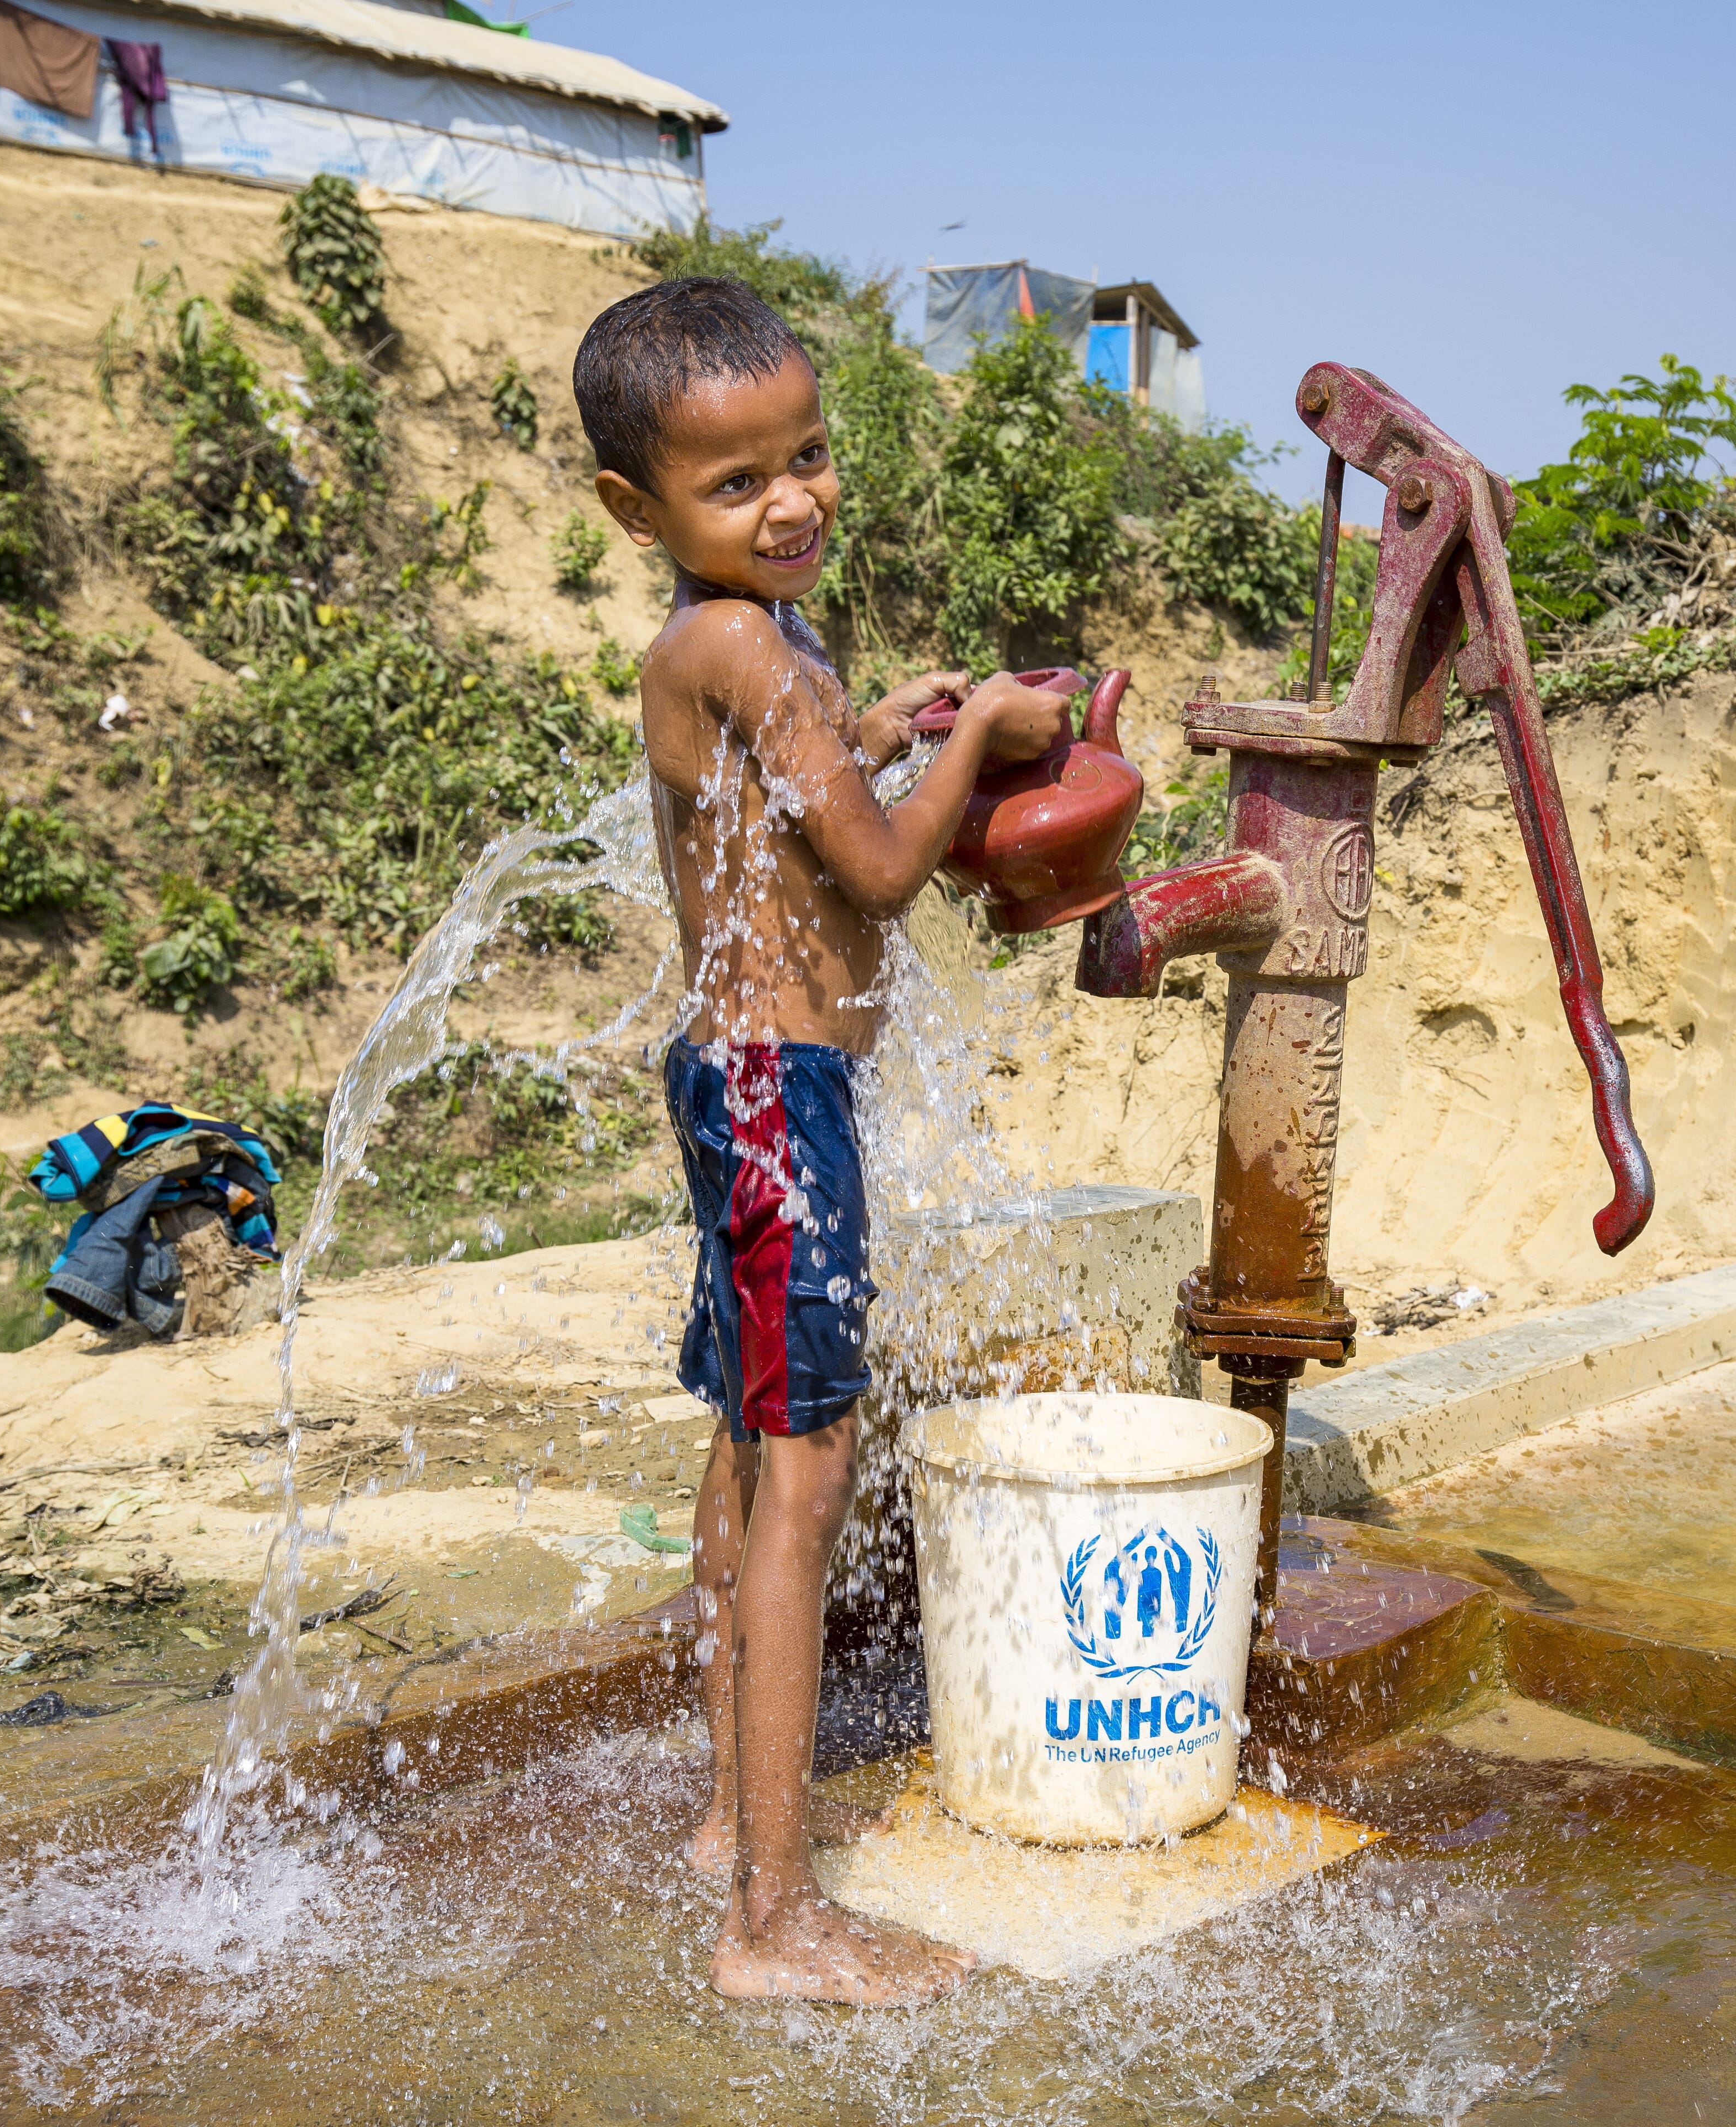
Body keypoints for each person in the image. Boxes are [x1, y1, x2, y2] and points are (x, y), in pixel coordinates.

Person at [576, 276, 1065, 2005]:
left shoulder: (745, 659)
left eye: (810, 455)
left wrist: (873, 735)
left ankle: (733, 1822)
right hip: (782, 1095)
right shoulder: (735, 644)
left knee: (744, 1441)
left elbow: (792, 816)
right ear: (638, 512)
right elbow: (872, 873)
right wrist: (987, 747)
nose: (792, 501)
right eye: (736, 483)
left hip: (746, 1086)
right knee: (807, 1474)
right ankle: (775, 1926)